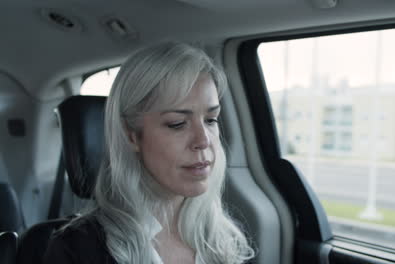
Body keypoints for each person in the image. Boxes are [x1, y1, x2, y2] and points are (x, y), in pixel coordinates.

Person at [43, 41, 255, 264]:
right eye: (177, 123)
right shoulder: (76, 250)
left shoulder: (227, 240)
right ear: (131, 134)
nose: (204, 141)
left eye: (211, 120)